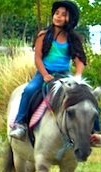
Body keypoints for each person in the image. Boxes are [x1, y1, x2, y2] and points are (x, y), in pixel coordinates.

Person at [9, 0, 88, 140]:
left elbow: (79, 59)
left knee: (85, 93)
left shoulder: (73, 39)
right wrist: (45, 74)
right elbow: (38, 58)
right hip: (45, 73)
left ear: (70, 19)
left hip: (64, 74)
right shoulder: (44, 36)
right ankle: (19, 123)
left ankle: (91, 129)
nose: (58, 16)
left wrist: (77, 76)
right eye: (57, 13)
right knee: (29, 90)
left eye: (63, 14)